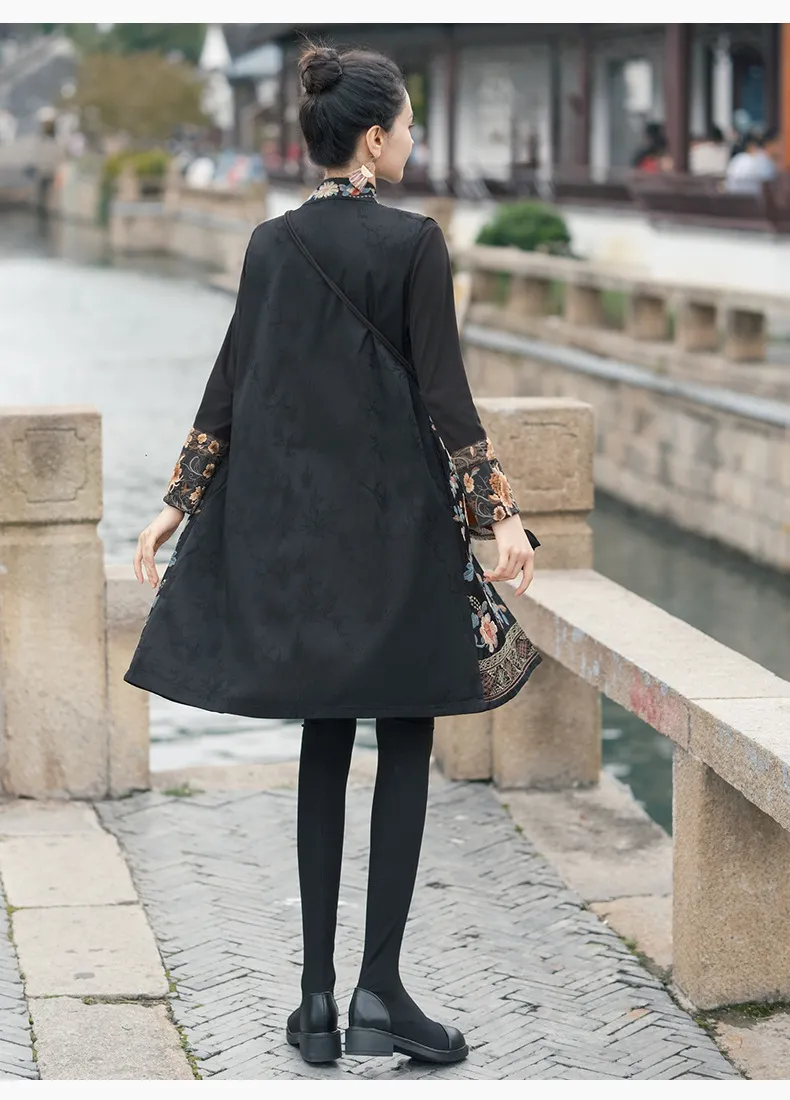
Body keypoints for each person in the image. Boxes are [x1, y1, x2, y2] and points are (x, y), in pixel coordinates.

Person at [125, 43, 542, 1068]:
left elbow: (231, 381)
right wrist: (499, 515)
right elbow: (445, 395)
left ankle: (314, 1002)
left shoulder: (270, 245)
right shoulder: (415, 242)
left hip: (304, 540)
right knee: (404, 733)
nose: (411, 144)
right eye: (407, 128)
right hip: (399, 534)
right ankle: (379, 993)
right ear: (373, 137)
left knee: (324, 736)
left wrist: (177, 502)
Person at [724, 127, 779, 195]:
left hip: (735, 199)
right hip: (758, 200)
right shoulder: (766, 161)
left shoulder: (737, 160)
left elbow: (728, 184)